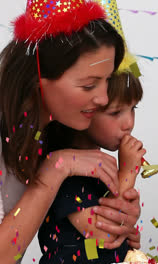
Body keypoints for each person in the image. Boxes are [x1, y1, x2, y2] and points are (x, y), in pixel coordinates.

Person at [0, 1, 140, 263]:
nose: (102, 99)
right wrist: (55, 168)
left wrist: (119, 213)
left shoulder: (58, 134)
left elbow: (99, 230)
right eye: (89, 85)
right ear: (37, 79)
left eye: (107, 80)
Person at [39, 72, 145, 263]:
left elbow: (113, 227)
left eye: (133, 108)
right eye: (115, 112)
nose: (129, 123)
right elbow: (104, 236)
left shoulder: (102, 167)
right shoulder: (65, 171)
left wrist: (126, 236)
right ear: (85, 112)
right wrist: (128, 173)